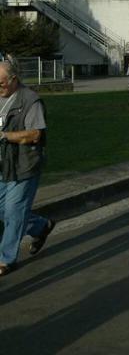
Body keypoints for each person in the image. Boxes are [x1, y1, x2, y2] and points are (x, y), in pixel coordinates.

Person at [0, 58, 55, 276]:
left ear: (14, 79)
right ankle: (41, 226)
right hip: (3, 165)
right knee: (4, 210)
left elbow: (35, 134)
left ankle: (6, 259)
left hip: (24, 165)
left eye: (2, 83)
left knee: (13, 212)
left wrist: (5, 136)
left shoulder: (31, 101)